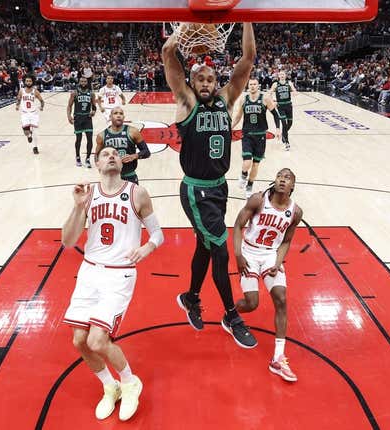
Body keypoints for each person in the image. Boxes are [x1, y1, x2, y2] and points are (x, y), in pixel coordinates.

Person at [162, 23, 258, 348]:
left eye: (210, 79)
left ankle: (190, 297)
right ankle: (231, 315)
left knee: (206, 245)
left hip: (219, 188)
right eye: (200, 78)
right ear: (191, 80)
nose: (205, 83)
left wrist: (246, 19)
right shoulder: (187, 102)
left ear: (216, 82)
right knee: (220, 249)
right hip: (196, 190)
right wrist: (183, 31)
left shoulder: (227, 100)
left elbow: (248, 59)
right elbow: (166, 54)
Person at [61, 146, 164, 421]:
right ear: (96, 164)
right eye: (105, 154)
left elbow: (158, 233)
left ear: (122, 163)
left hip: (119, 273)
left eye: (116, 154)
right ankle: (110, 386)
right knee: (80, 341)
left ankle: (130, 382)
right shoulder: (88, 194)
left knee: (97, 340)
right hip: (89, 272)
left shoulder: (137, 193)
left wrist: (146, 248)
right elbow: (68, 241)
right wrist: (77, 208)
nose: (111, 156)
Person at [233, 168, 302, 381]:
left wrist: (279, 261)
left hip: (271, 254)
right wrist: (237, 255)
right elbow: (238, 225)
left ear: (292, 186)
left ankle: (278, 358)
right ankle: (231, 313)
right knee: (252, 303)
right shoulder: (258, 200)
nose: (282, 179)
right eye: (280, 176)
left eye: (287, 178)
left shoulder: (296, 212)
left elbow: (287, 240)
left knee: (281, 299)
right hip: (249, 252)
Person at [232, 77, 282, 198]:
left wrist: (278, 128)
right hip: (247, 134)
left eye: (255, 84)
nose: (253, 86)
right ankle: (243, 175)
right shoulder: (243, 99)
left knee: (255, 164)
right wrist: (230, 127)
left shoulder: (265, 98)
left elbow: (275, 114)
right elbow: (238, 116)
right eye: (251, 84)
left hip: (260, 136)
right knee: (247, 161)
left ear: (258, 86)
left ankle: (249, 186)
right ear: (248, 86)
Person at [95, 107, 150, 184]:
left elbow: (146, 152)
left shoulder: (133, 131)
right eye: (115, 113)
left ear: (124, 117)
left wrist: (134, 156)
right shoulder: (102, 136)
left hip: (129, 176)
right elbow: (97, 156)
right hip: (111, 177)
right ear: (110, 117)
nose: (118, 115)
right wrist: (101, 170)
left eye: (121, 113)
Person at [67, 76, 97, 167]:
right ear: (79, 82)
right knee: (78, 139)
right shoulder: (74, 93)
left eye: (85, 81)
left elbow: (94, 106)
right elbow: (69, 106)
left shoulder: (91, 93)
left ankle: (88, 159)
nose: (83, 83)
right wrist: (69, 116)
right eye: (81, 81)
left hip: (87, 118)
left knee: (90, 139)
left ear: (87, 82)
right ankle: (77, 157)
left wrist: (94, 111)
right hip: (78, 117)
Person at [15, 75, 44, 154]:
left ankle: (35, 147)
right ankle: (29, 136)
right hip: (24, 113)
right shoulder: (21, 91)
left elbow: (42, 101)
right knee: (26, 132)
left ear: (32, 82)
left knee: (35, 131)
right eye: (27, 81)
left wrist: (41, 107)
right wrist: (17, 105)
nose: (28, 82)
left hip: (34, 113)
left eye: (30, 81)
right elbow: (18, 99)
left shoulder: (35, 91)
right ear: (25, 81)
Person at [270, 71, 297, 151]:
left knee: (290, 123)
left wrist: (295, 92)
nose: (281, 76)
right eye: (280, 74)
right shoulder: (275, 84)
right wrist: (273, 101)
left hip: (289, 105)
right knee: (284, 124)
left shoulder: (289, 83)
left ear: (285, 75)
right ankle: (286, 142)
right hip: (280, 106)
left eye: (283, 74)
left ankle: (283, 133)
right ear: (278, 76)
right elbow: (270, 92)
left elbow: (294, 89)